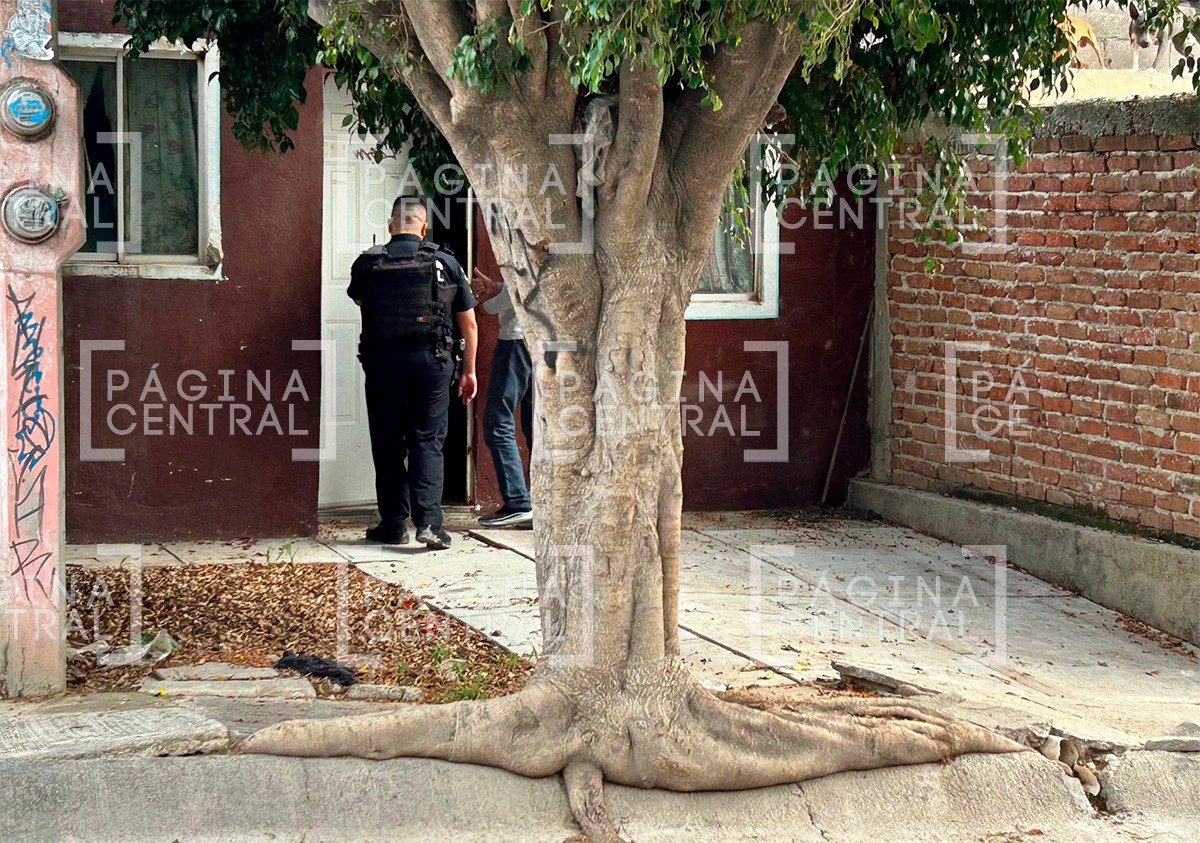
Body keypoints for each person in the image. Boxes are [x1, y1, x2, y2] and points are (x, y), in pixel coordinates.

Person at [348, 196, 477, 550]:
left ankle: (392, 524)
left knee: (388, 443)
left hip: (383, 363)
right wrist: (470, 371)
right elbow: (468, 323)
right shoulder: (446, 262)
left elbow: (362, 303)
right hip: (431, 363)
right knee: (426, 441)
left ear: (391, 225)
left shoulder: (367, 264)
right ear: (423, 227)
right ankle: (429, 525)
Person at [471, 269, 534, 527]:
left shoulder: (529, 241)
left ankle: (518, 503)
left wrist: (485, 303)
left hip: (516, 342)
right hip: (544, 344)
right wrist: (498, 286)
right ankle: (538, 505)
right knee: (535, 427)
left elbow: (520, 289)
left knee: (497, 422)